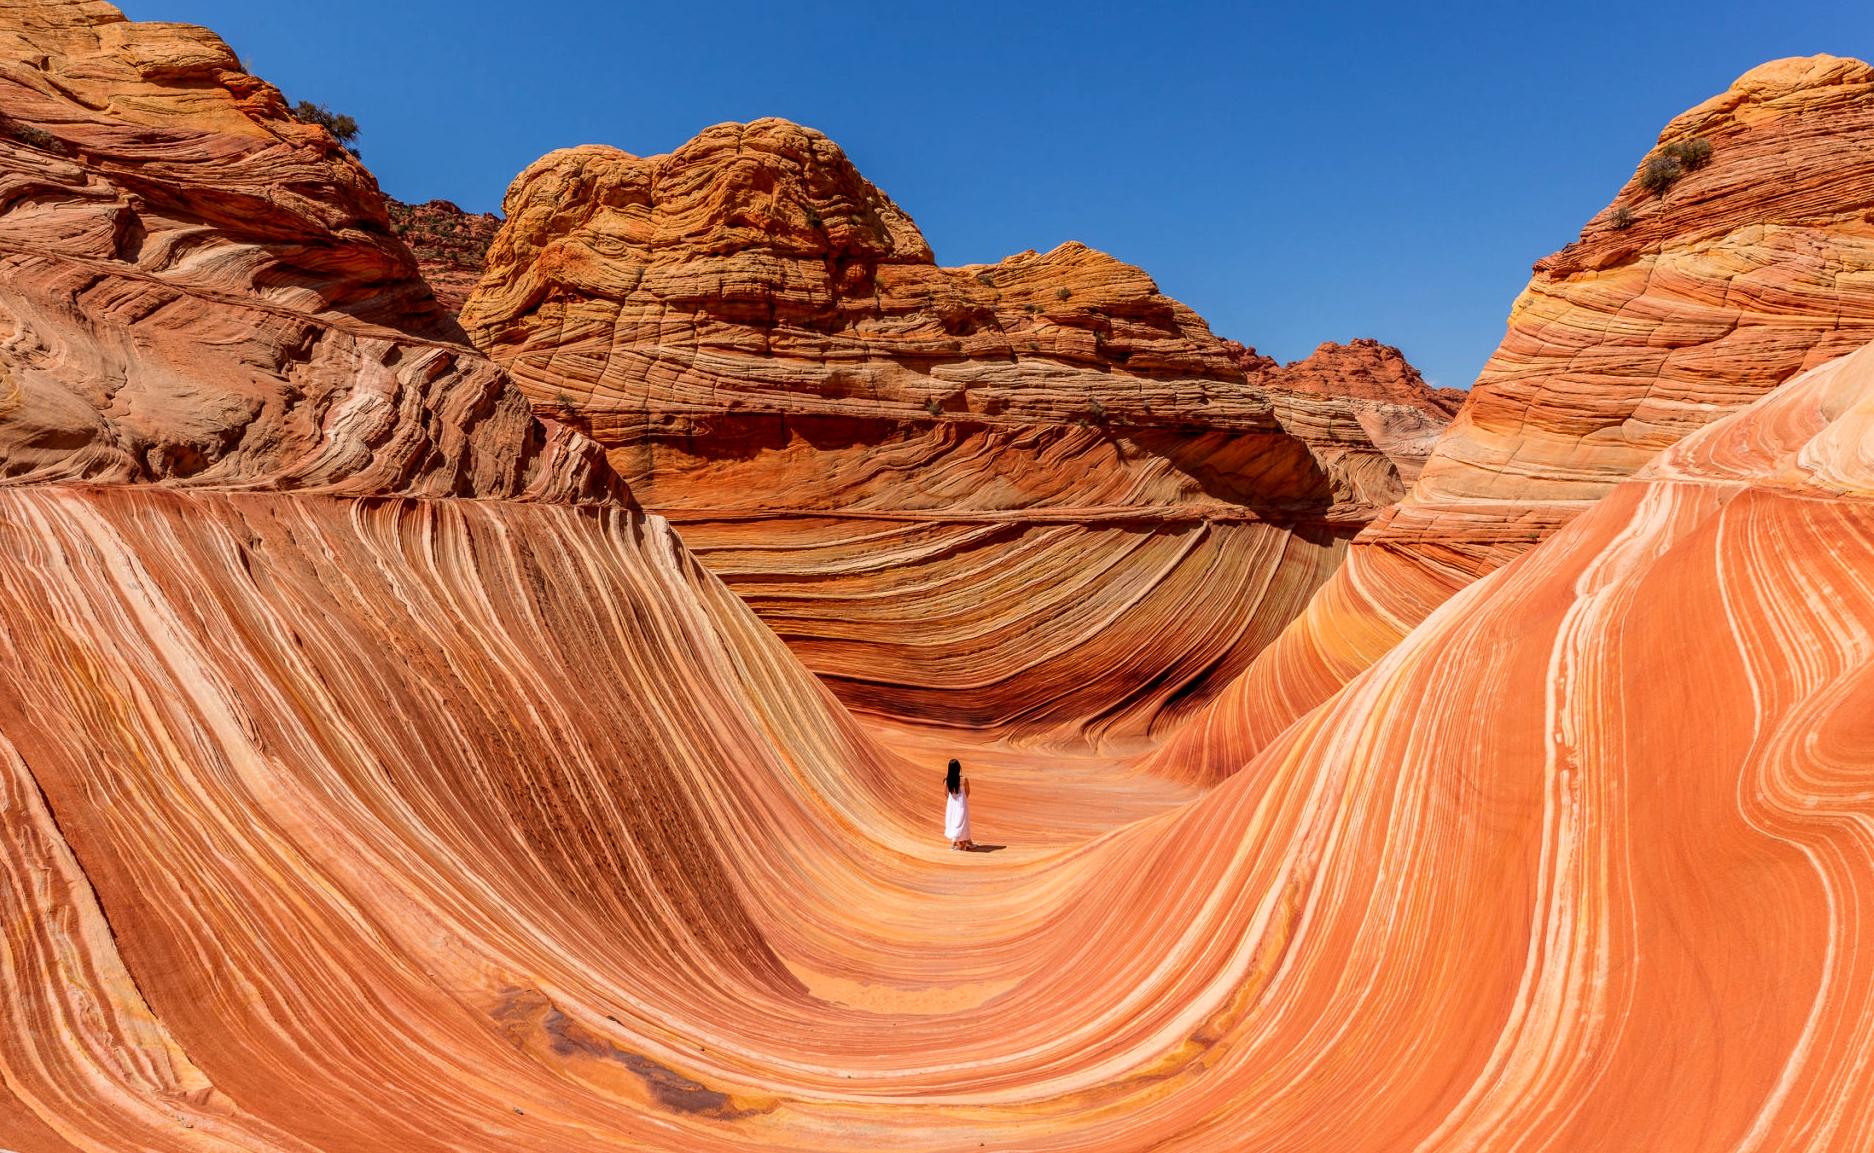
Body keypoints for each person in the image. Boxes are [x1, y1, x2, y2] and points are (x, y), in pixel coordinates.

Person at [944, 758, 974, 851]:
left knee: (953, 820)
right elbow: (968, 792)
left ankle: (955, 842)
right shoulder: (964, 779)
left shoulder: (947, 780)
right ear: (958, 768)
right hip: (962, 803)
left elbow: (946, 793)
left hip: (951, 803)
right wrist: (963, 799)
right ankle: (963, 841)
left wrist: (952, 800)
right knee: (963, 822)